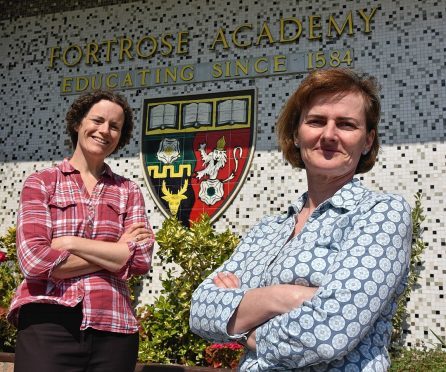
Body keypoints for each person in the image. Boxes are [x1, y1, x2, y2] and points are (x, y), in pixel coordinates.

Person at [189, 68, 412, 371]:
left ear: (368, 141)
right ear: (296, 134)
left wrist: (243, 322)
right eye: (316, 121)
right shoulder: (267, 230)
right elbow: (200, 308)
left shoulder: (382, 213)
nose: (329, 135)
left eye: (346, 125)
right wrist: (282, 297)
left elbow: (330, 330)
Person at [8, 90, 154, 372]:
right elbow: (35, 262)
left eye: (114, 126)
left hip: (115, 328)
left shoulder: (128, 191)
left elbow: (139, 259)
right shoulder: (41, 183)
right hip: (48, 324)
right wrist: (117, 252)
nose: (104, 131)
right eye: (97, 120)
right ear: (77, 123)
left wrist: (70, 243)